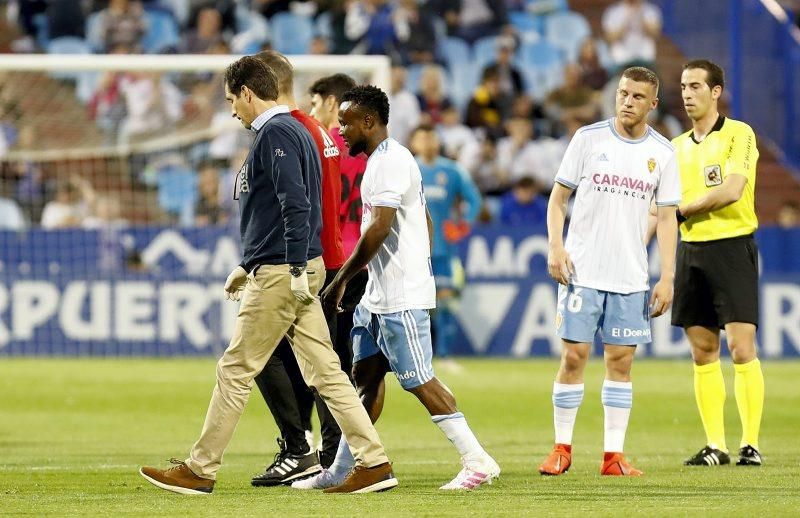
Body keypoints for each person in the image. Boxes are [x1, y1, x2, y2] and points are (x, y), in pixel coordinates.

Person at [139, 56, 397, 495]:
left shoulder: (276, 132)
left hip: (283, 271)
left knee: (236, 367)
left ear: (247, 92)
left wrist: (293, 266)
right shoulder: (298, 130)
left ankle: (200, 469)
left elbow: (296, 205)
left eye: (230, 100)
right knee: (327, 373)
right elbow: (279, 208)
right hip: (285, 264)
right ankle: (374, 462)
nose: (231, 110)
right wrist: (247, 264)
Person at [299, 85, 499, 491]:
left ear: (369, 122)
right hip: (380, 294)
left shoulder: (389, 161)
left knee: (418, 380)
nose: (340, 131)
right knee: (365, 379)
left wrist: (341, 281)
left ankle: (477, 460)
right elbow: (421, 216)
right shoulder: (384, 161)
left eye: (347, 123)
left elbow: (379, 227)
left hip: (399, 297)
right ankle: (342, 469)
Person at [538, 67, 680, 477]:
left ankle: (612, 457)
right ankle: (561, 448)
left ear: (652, 104)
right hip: (582, 270)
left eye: (637, 97)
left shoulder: (663, 153)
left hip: (630, 276)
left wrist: (667, 275)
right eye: (622, 94)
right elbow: (558, 199)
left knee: (620, 361)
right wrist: (555, 245)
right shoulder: (588, 139)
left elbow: (667, 218)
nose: (627, 102)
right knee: (574, 356)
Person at [248, 50, 347, 487]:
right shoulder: (318, 133)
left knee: (268, 355)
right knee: (320, 363)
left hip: (306, 262)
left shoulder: (290, 130)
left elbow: (296, 203)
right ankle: (326, 454)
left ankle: (303, 450)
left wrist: (292, 263)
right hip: (329, 258)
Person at [671, 59, 764, 467]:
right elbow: (660, 208)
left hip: (732, 247)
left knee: (741, 347)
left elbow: (732, 190)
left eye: (695, 86)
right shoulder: (673, 147)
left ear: (715, 92)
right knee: (702, 351)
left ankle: (751, 444)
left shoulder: (739, 134)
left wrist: (683, 210)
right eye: (683, 87)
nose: (687, 94)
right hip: (691, 251)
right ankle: (716, 445)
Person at [410, 124, 482, 362]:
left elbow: (474, 199)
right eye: (423, 138)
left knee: (446, 302)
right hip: (413, 251)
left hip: (444, 249)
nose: (428, 143)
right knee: (415, 305)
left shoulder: (452, 171)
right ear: (415, 143)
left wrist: (464, 224)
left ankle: (444, 354)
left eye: (431, 137)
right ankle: (417, 354)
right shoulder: (409, 169)